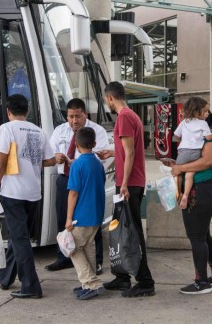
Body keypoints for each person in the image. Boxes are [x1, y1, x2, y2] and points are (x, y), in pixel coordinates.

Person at [0, 94, 56, 299]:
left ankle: (30, 285)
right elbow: (50, 160)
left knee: (20, 239)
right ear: (27, 111)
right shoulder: (39, 131)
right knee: (20, 237)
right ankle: (5, 277)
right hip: (33, 193)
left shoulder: (6, 129)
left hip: (13, 193)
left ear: (8, 112)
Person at [97, 81, 155, 297]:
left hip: (129, 184)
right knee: (120, 231)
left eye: (106, 100)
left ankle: (145, 282)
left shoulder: (123, 117)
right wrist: (111, 154)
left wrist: (123, 184)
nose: (107, 103)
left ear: (110, 98)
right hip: (130, 182)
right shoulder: (132, 116)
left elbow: (130, 153)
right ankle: (122, 277)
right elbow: (126, 151)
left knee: (131, 234)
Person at [169, 108, 212, 295]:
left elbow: (207, 162)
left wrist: (180, 168)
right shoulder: (197, 142)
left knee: (197, 238)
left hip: (202, 191)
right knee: (203, 235)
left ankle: (201, 281)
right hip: (202, 190)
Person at [46, 98, 108, 273]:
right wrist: (56, 157)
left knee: (91, 221)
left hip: (88, 181)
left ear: (85, 115)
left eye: (78, 116)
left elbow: (99, 156)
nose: (74, 121)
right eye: (71, 117)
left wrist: (78, 162)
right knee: (62, 218)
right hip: (65, 179)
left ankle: (96, 261)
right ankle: (63, 257)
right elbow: (50, 152)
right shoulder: (60, 130)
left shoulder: (97, 131)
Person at [66, 127, 107, 300]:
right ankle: (89, 284)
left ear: (76, 144)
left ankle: (91, 282)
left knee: (73, 248)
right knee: (88, 246)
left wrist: (68, 218)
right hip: (97, 214)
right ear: (94, 144)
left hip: (81, 215)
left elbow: (73, 193)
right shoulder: (98, 163)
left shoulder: (77, 164)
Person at [173, 97, 212, 209]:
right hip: (195, 152)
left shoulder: (184, 122)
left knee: (178, 172)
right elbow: (208, 137)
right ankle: (186, 195)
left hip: (183, 151)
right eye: (206, 111)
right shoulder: (203, 124)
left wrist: (183, 138)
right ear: (198, 111)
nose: (208, 113)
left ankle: (178, 193)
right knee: (190, 173)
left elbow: (176, 136)